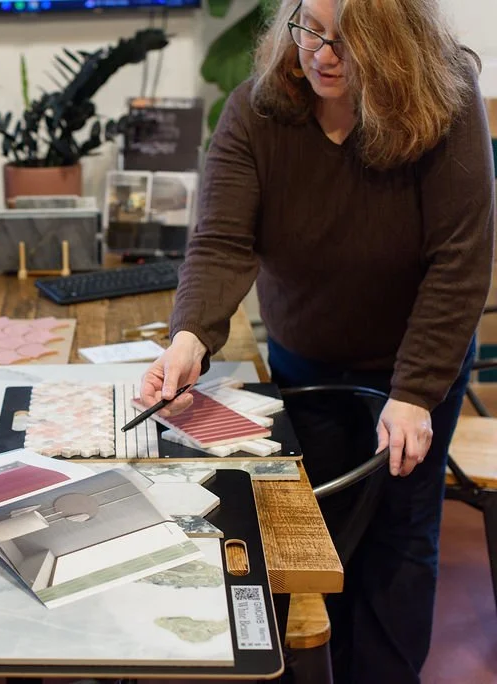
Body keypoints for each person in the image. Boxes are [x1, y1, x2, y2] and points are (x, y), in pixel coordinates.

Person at [139, 0, 494, 682]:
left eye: (348, 40)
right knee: (314, 540)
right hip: (308, 365)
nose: (322, 54)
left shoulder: (443, 103)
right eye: (309, 30)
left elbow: (461, 261)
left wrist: (415, 392)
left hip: (415, 372)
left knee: (398, 537)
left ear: (394, 42)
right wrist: (189, 340)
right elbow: (220, 241)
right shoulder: (259, 110)